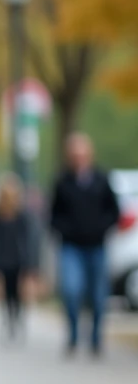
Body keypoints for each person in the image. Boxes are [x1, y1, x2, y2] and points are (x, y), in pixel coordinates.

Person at [49, 132, 120, 357]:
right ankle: (73, 334)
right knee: (71, 290)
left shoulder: (101, 179)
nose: (79, 158)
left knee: (98, 296)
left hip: (96, 245)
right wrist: (66, 229)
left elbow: (114, 211)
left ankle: (96, 338)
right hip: (71, 246)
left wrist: (101, 228)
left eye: (83, 154)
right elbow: (54, 215)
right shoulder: (62, 181)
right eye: (75, 154)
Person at [0, 174, 36, 341]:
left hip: (19, 259)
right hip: (3, 259)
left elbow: (28, 240)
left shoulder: (22, 216)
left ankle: (17, 317)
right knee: (7, 292)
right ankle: (9, 318)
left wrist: (30, 262)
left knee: (17, 292)